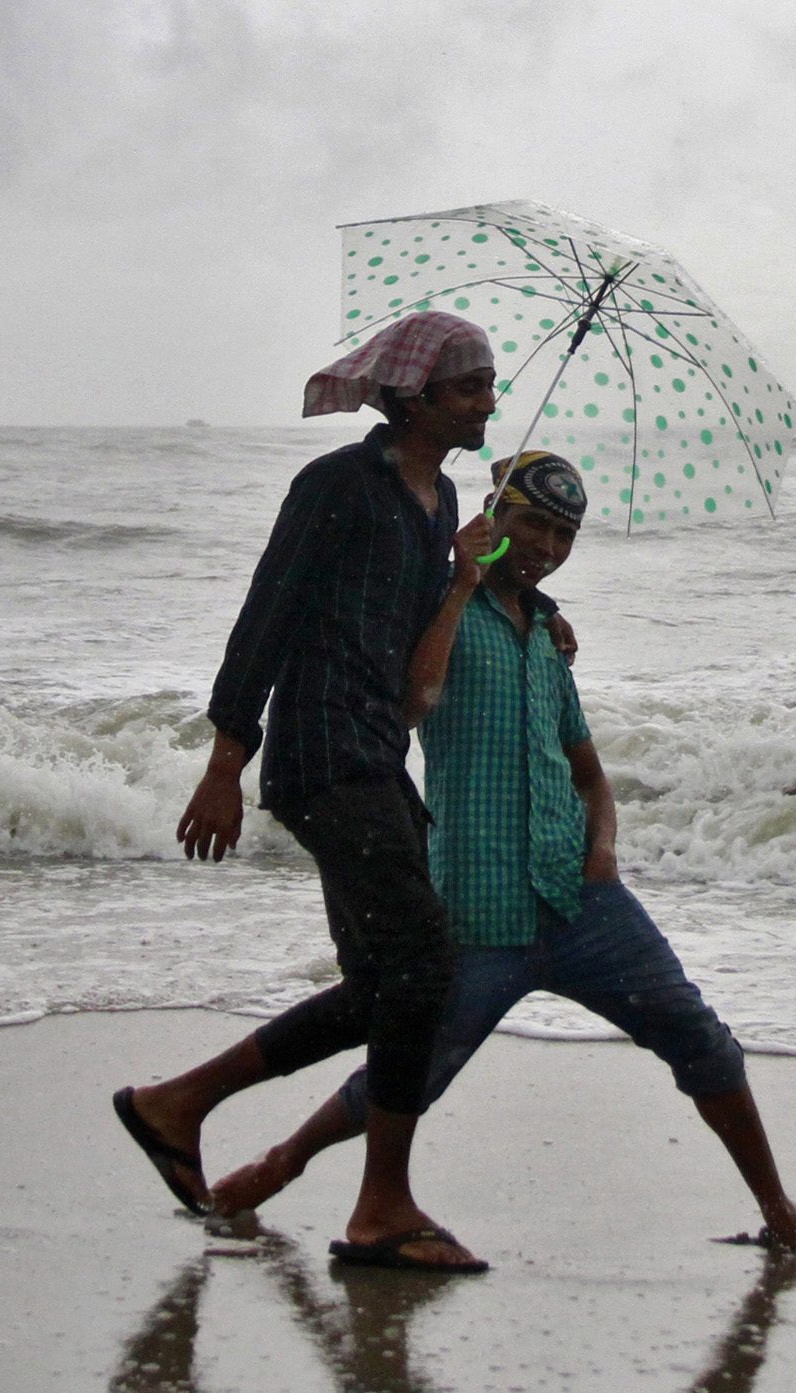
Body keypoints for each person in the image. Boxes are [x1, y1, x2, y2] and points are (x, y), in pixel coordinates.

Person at [205, 450, 796, 1262]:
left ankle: (781, 1211)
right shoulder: (435, 606)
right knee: (411, 1071)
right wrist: (460, 583)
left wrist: (603, 849)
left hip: (581, 900)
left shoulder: (549, 638)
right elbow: (411, 704)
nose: (547, 548)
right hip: (478, 909)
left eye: (564, 535)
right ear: (496, 515)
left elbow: (589, 773)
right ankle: (282, 1162)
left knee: (700, 1037)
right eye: (533, 525)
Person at [112, 309, 501, 1274]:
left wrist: (477, 583)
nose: (488, 402)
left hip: (377, 752)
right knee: (424, 963)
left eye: (490, 384)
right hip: (323, 753)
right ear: (414, 397)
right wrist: (224, 765)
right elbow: (267, 616)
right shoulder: (336, 484)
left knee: (380, 990)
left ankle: (176, 1104)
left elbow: (415, 667)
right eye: (469, 387)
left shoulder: (442, 502)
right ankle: (381, 1209)